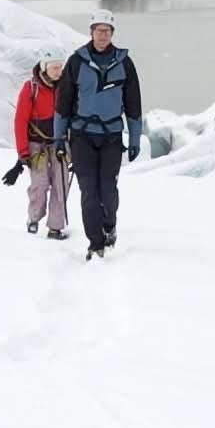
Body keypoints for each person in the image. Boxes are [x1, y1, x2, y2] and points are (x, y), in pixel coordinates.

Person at [52, 17, 142, 257]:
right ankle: (96, 243)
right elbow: (63, 103)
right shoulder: (77, 62)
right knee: (89, 191)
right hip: (82, 136)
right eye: (99, 31)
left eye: (107, 31)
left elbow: (133, 104)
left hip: (111, 136)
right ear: (91, 32)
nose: (103, 35)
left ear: (112, 33)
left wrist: (134, 139)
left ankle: (109, 224)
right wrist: (58, 137)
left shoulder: (124, 63)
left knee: (108, 190)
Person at [6, 57, 72, 240]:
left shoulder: (67, 87)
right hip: (37, 145)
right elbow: (20, 121)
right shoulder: (31, 88)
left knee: (61, 184)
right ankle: (34, 217)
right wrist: (23, 153)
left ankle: (55, 227)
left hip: (60, 143)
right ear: (45, 69)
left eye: (60, 67)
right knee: (40, 184)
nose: (58, 71)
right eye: (54, 68)